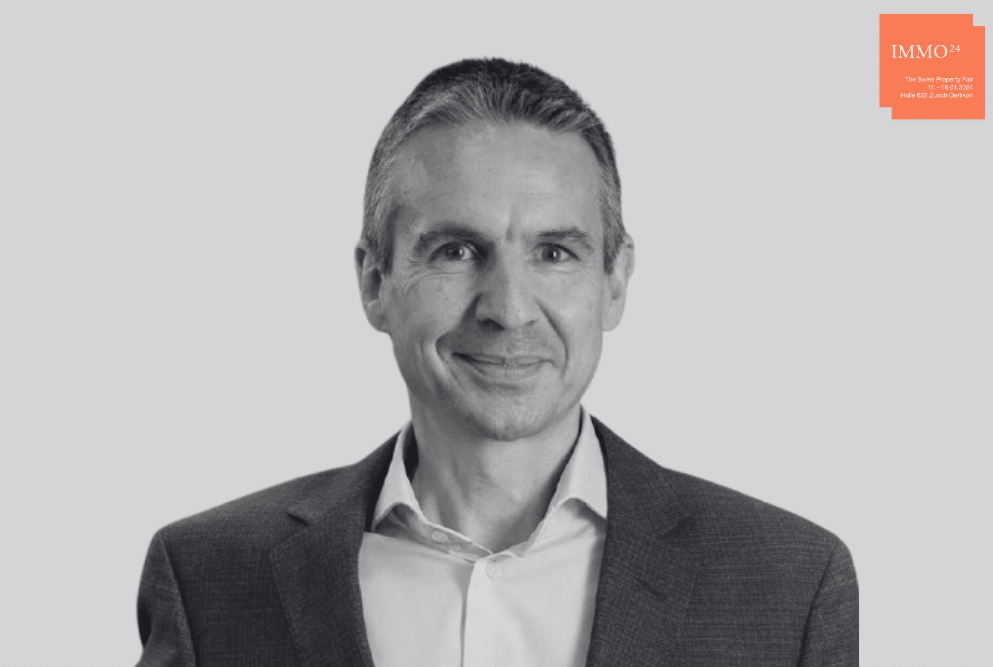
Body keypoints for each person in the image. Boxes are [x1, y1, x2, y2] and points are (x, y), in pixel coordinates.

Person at [135, 58, 858, 667]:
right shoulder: (209, 579)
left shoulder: (788, 587)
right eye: (456, 250)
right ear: (374, 282)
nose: (508, 309)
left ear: (614, 282)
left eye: (555, 252)